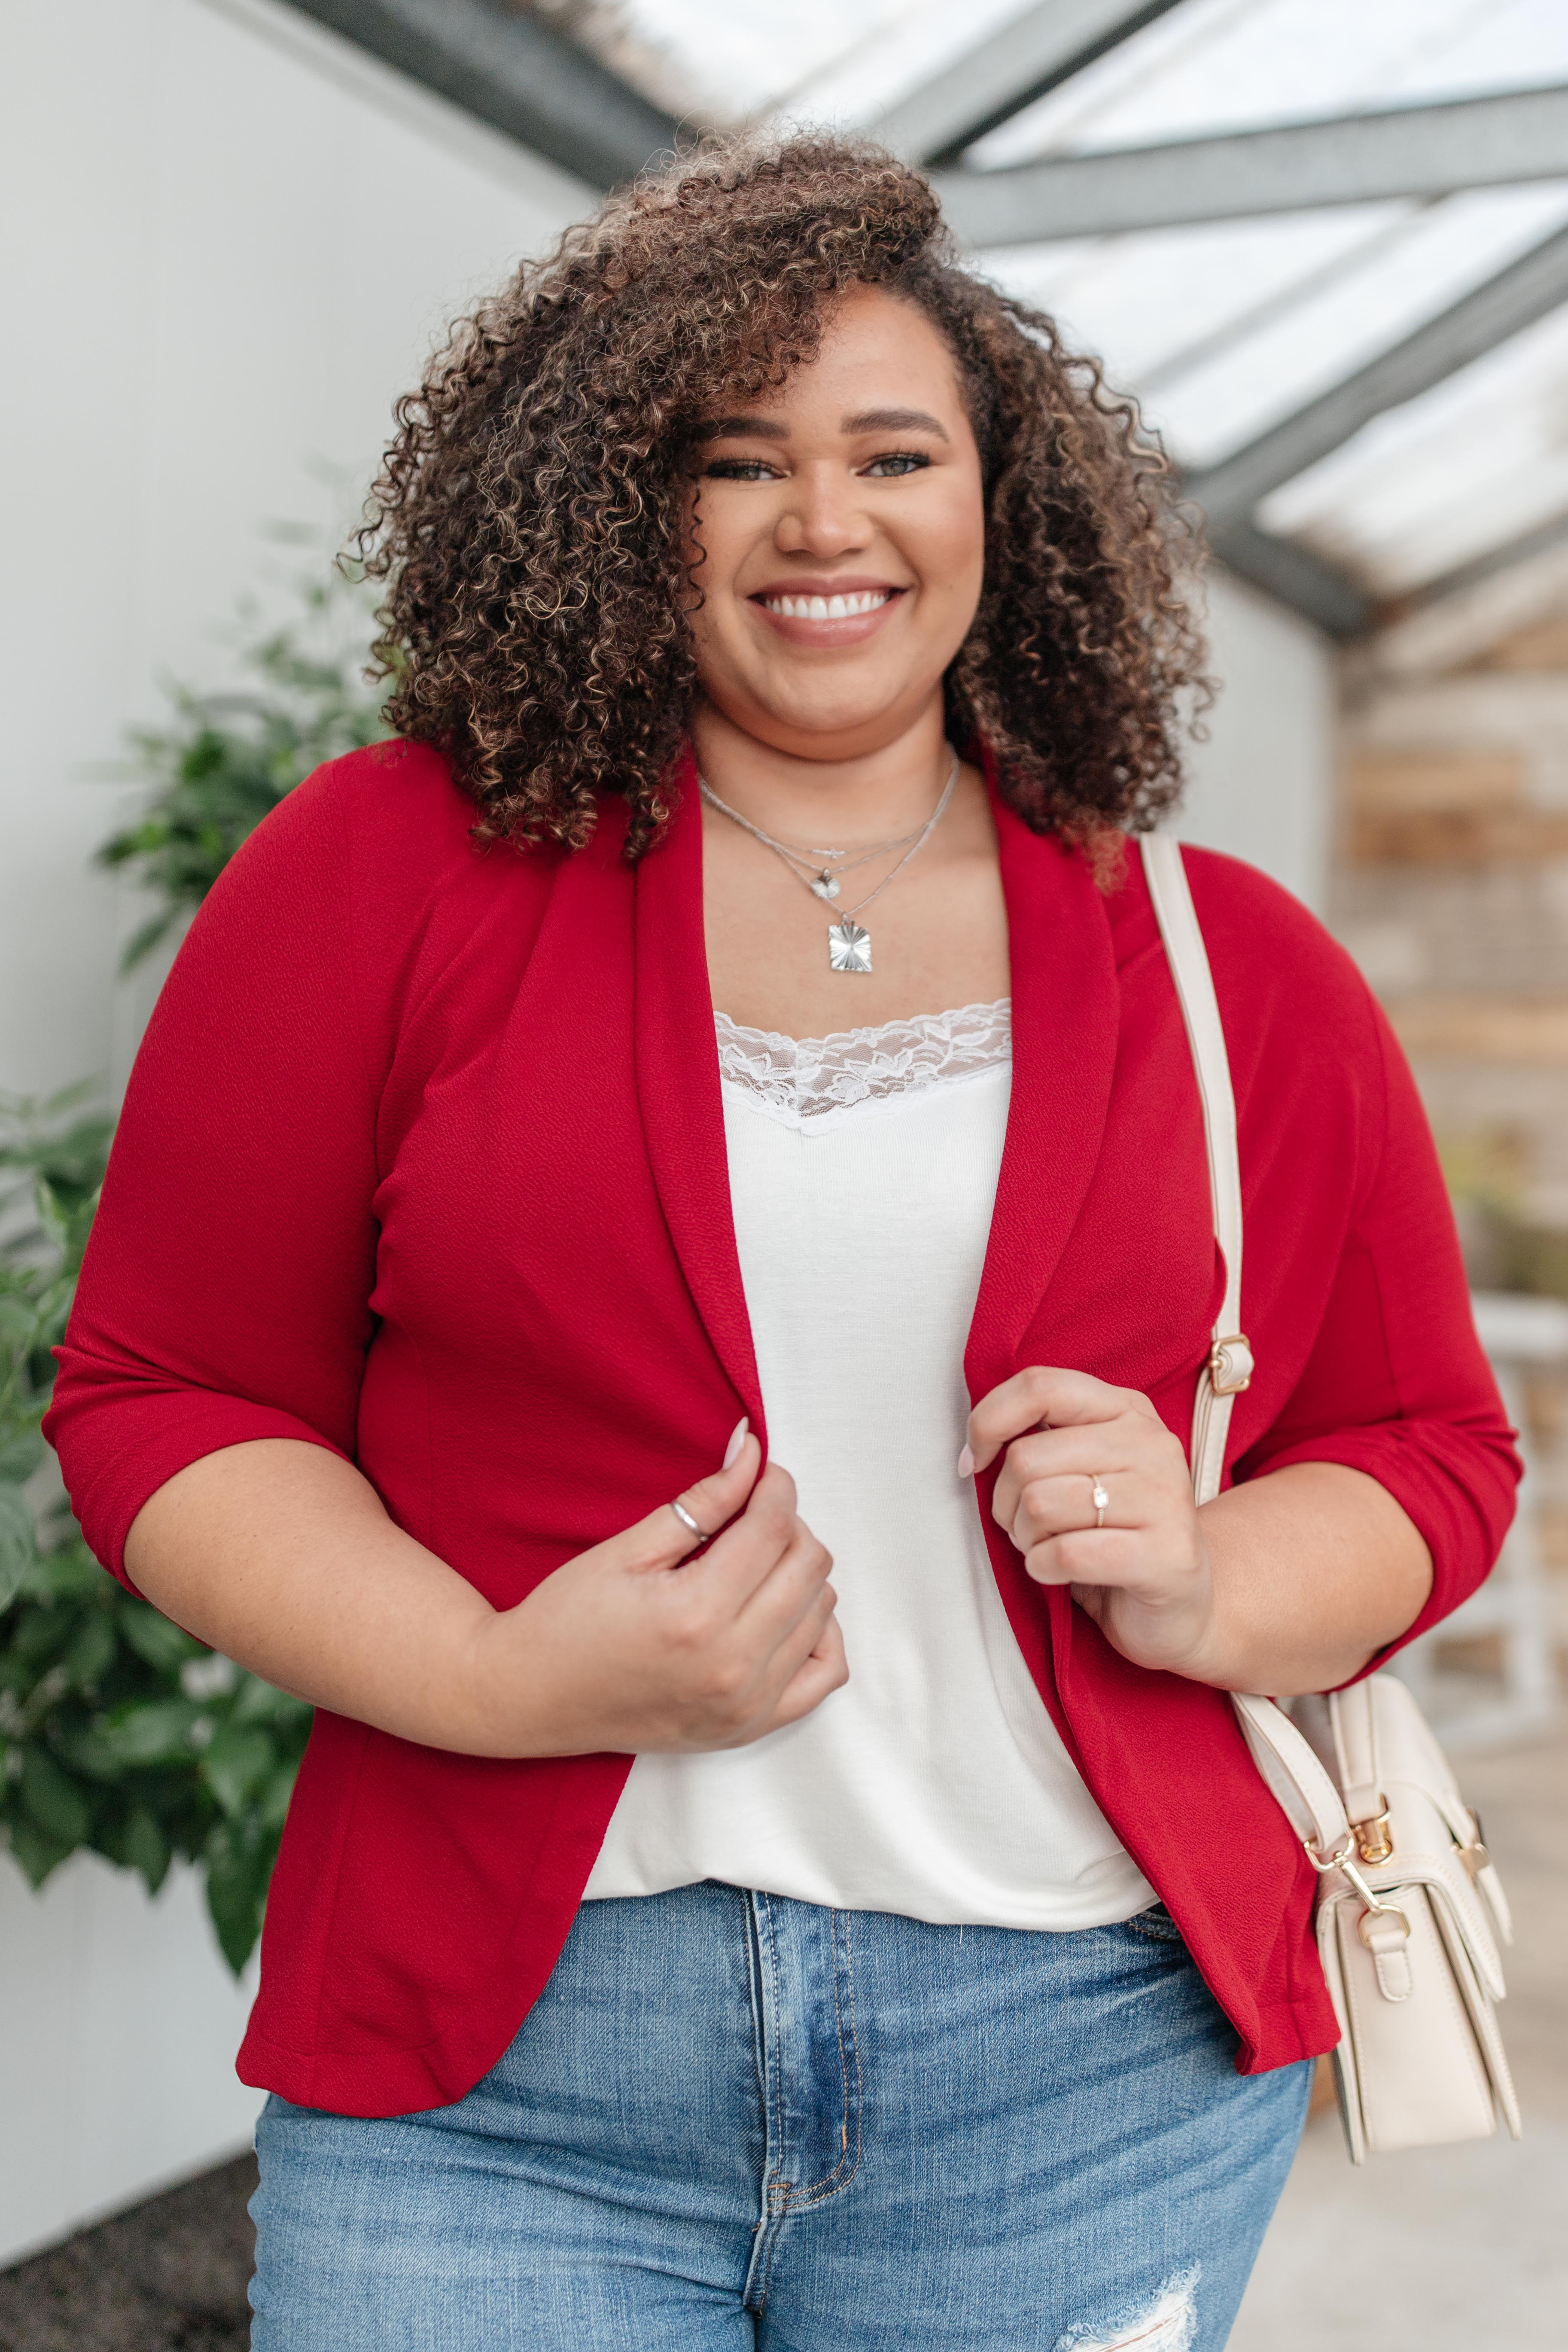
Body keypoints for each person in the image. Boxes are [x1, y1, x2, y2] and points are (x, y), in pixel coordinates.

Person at [47, 137, 1518, 2350]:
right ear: (625, 510)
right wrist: (488, 1676)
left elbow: (1427, 1454)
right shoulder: (381, 877)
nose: (825, 523)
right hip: (506, 2070)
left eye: (893, 452)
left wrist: (1214, 1578)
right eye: (739, 459)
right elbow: (167, 1400)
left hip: (1079, 2071)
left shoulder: (1233, 969)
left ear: (997, 507)